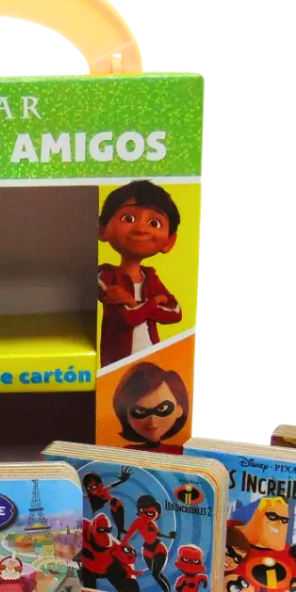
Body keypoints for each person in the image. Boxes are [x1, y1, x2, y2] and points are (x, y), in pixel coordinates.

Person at [97, 179, 183, 367]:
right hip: (117, 364)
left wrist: (134, 303)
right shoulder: (104, 277)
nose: (141, 229)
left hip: (152, 358)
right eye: (128, 219)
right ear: (102, 229)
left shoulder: (150, 277)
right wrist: (154, 303)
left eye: (154, 223)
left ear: (169, 241)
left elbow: (175, 312)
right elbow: (126, 316)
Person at [112, 362, 189, 450]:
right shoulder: (128, 451)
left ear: (179, 409)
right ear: (125, 414)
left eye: (162, 408)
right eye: (140, 411)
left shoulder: (180, 451)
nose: (152, 421)